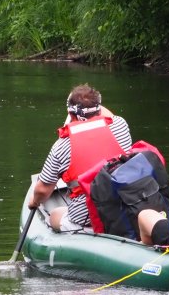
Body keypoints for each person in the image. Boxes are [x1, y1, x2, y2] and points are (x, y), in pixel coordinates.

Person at [28, 84, 133, 232]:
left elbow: (42, 190)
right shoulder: (120, 125)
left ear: (70, 115)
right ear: (98, 108)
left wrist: (34, 201)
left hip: (87, 218)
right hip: (125, 205)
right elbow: (105, 113)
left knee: (55, 215)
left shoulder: (61, 146)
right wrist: (89, 103)